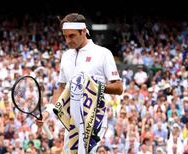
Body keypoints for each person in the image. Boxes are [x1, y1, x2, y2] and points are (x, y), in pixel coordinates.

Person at [37, 13, 123, 153]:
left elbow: (119, 88)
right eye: (65, 36)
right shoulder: (65, 57)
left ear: (83, 32)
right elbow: (61, 89)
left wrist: (93, 87)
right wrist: (47, 112)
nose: (68, 41)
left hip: (94, 118)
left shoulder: (103, 53)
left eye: (72, 36)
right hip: (72, 121)